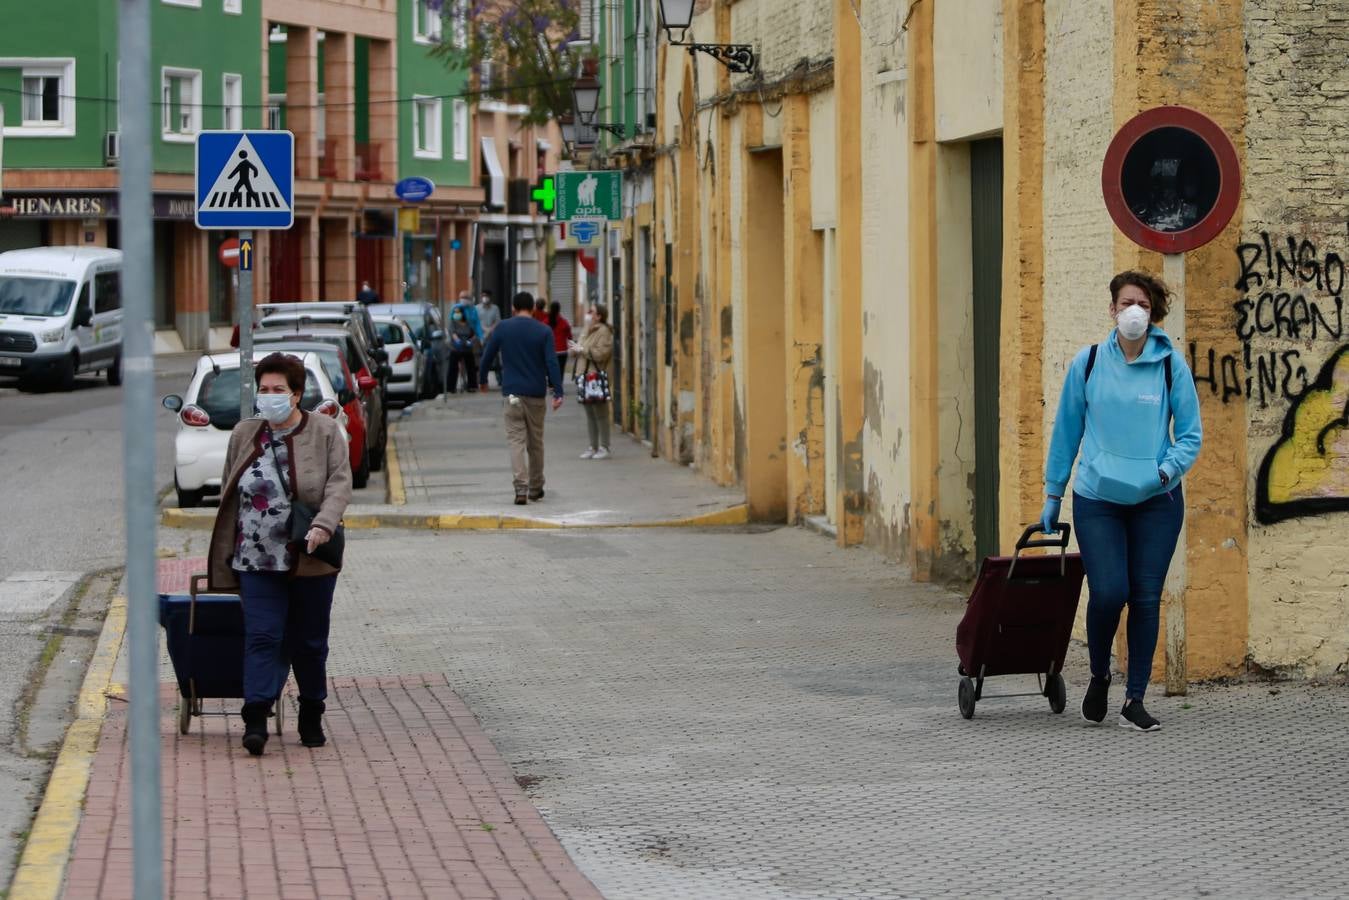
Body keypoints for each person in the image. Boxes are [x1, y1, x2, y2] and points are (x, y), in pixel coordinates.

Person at [1041, 270, 1202, 733]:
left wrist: (1164, 471)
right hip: (1098, 497)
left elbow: (1190, 436)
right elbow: (1066, 431)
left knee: (1146, 597)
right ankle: (1098, 675)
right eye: (1128, 302)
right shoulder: (1088, 363)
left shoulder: (1171, 365)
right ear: (1112, 309)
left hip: (1156, 499)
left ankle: (1135, 699)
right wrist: (1054, 493)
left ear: (1154, 315)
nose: (1135, 311)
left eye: (1145, 306)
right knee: (1110, 591)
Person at [207, 352, 352, 755]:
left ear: (296, 394)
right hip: (255, 557)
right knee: (262, 635)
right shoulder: (244, 433)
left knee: (308, 642)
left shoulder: (324, 431)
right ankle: (255, 715)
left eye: (278, 390)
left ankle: (311, 710)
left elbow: (340, 484)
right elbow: (228, 491)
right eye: (263, 390)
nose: (268, 397)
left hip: (310, 555)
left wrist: (323, 524)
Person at [478, 292, 565, 504]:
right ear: (533, 308)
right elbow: (552, 362)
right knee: (536, 443)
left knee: (516, 441)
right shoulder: (544, 331)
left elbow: (487, 355)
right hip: (536, 394)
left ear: (514, 307)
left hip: (512, 394)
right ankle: (536, 487)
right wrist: (558, 391)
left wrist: (482, 380)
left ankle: (520, 488)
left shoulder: (504, 328)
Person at [569, 304, 614, 460]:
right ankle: (592, 446)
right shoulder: (586, 330)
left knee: (600, 412)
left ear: (599, 316)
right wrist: (574, 350)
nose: (588, 314)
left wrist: (583, 350)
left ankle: (604, 446)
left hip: (596, 376)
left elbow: (602, 354)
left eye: (591, 312)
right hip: (584, 376)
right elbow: (578, 347)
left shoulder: (604, 332)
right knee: (589, 413)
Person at [446, 304, 479, 393]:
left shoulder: (468, 323)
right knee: (453, 367)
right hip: (456, 347)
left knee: (471, 366)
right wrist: (457, 341)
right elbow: (453, 333)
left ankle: (472, 386)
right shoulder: (453, 322)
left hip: (467, 347)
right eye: (455, 312)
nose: (457, 314)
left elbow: (474, 334)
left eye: (458, 312)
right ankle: (451, 388)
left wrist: (470, 341)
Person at [477, 290, 502, 387]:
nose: (485, 298)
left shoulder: (495, 308)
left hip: (492, 336)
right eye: (483, 296)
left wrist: (490, 330)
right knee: (482, 360)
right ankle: (483, 380)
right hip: (481, 337)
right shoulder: (477, 308)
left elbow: (498, 321)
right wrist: (484, 330)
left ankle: (500, 379)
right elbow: (477, 322)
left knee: (495, 360)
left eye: (486, 296)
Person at [547, 300, 573, 377]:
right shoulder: (564, 322)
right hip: (562, 351)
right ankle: (558, 386)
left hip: (550, 350)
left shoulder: (545, 322)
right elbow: (569, 336)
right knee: (560, 370)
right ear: (559, 310)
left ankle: (551, 385)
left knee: (550, 369)